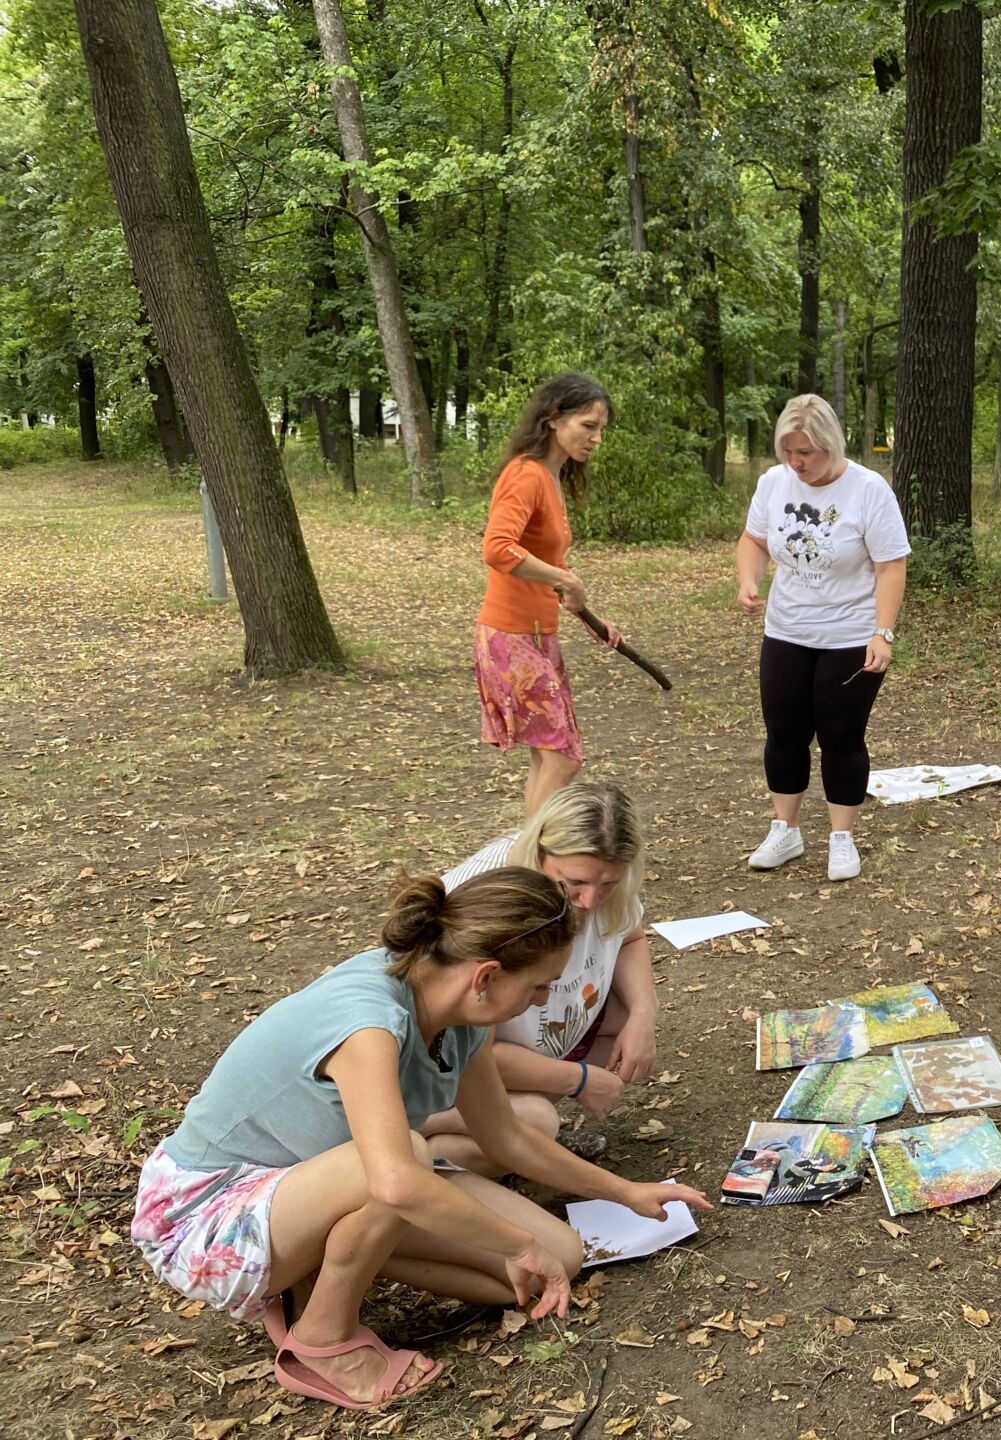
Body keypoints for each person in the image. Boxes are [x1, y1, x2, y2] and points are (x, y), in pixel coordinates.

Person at [131, 867, 711, 1413]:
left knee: (557, 1259)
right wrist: (514, 1244)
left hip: (317, 1186)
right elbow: (395, 1180)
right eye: (538, 986)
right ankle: (321, 1341)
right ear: (486, 977)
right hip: (205, 1214)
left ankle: (323, 1264)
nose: (541, 1000)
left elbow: (505, 1136)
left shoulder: (461, 1015)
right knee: (407, 1162)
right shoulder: (369, 1023)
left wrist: (623, 1192)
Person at [423, 781, 655, 1173]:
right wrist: (578, 1078)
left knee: (623, 1018)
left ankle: (515, 1139)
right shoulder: (493, 904)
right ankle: (423, 1138)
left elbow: (630, 935)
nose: (590, 901)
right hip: (452, 1076)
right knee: (534, 1123)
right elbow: (473, 1053)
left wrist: (643, 1017)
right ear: (540, 852)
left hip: (508, 1049)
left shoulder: (597, 872)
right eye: (574, 883)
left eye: (608, 885)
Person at [735, 393, 910, 881]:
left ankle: (841, 838)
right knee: (784, 732)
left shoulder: (868, 490)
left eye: (806, 452)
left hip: (850, 635)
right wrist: (748, 579)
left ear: (831, 444)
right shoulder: (774, 483)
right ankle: (785, 830)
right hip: (786, 630)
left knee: (840, 735)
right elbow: (754, 540)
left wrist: (882, 633)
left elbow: (891, 566)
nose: (796, 462)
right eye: (788, 451)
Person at [476, 372, 623, 818]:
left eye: (601, 429)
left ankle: (531, 851)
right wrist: (567, 580)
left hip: (539, 635)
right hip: (510, 637)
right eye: (588, 426)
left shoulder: (550, 477)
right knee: (562, 757)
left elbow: (543, 565)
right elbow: (497, 548)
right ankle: (534, 852)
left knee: (547, 756)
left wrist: (589, 616)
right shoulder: (526, 474)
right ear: (554, 418)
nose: (597, 438)